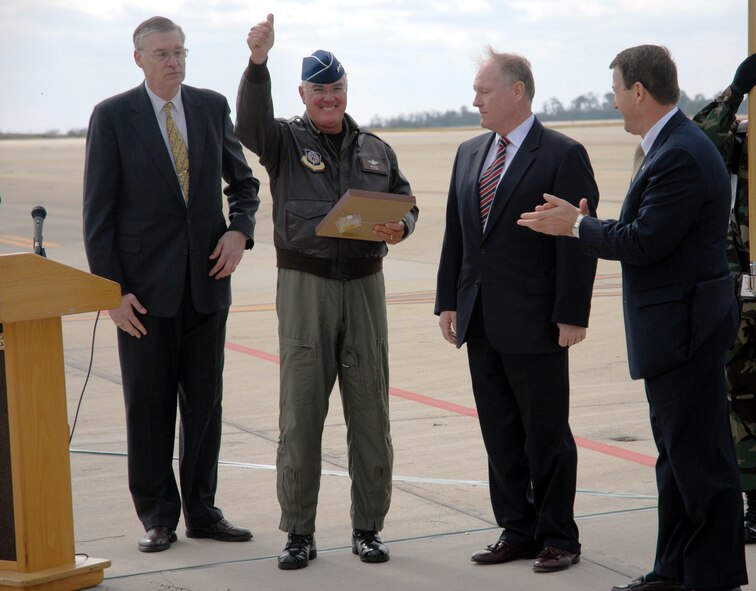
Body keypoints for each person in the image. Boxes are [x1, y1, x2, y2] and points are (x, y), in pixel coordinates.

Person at [518, 44, 748, 591]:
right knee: (677, 459)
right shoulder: (672, 145)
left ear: (639, 91)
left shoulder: (680, 154)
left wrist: (576, 226)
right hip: (679, 326)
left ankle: (711, 578)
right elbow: (651, 233)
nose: (614, 102)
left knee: (699, 462)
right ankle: (673, 571)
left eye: (617, 91)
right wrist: (587, 225)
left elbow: (645, 240)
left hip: (684, 329)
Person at [234, 14, 418, 570]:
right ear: (304, 94)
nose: (329, 98)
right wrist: (257, 63)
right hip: (305, 287)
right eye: (320, 90)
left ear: (345, 92)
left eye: (336, 89)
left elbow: (406, 203)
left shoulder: (376, 150)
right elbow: (248, 125)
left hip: (364, 288)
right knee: (302, 412)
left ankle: (368, 528)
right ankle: (299, 532)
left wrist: (401, 227)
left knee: (370, 412)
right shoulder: (285, 142)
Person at [83, 16, 260, 553]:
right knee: (149, 405)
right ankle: (158, 515)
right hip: (143, 296)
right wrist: (110, 293)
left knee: (204, 406)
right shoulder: (113, 117)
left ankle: (203, 512)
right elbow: (99, 216)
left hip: (207, 285)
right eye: (162, 53)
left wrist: (238, 232)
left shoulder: (208, 107)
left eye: (179, 52)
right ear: (139, 58)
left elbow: (245, 184)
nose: (174, 62)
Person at [434, 48, 599, 574]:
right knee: (499, 432)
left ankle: (558, 536)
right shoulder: (468, 152)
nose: (475, 99)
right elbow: (458, 235)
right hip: (480, 317)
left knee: (545, 432)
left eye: (483, 90)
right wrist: (447, 301)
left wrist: (573, 314)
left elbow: (576, 241)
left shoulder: (561, 154)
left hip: (536, 320)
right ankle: (517, 528)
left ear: (517, 91)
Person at [693, 53, 756, 546]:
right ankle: (753, 502)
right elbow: (700, 139)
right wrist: (735, 91)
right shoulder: (739, 137)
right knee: (742, 400)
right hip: (744, 290)